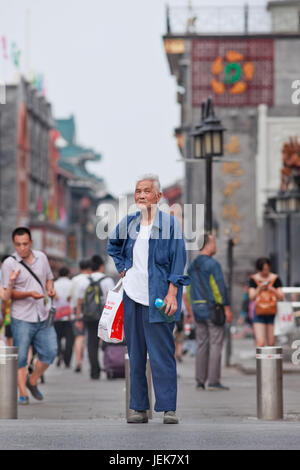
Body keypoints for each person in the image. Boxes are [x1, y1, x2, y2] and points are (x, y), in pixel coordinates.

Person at [107, 174, 189, 424]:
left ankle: (168, 408)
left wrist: (172, 292)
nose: (141, 195)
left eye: (146, 191)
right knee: (136, 353)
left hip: (159, 298)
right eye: (138, 191)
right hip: (132, 295)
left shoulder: (170, 224)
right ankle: (138, 407)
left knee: (162, 353)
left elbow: (179, 259)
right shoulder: (129, 222)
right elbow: (113, 245)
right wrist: (123, 266)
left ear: (158, 196)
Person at [1, 227, 57, 405]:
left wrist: (50, 288)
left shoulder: (42, 257)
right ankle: (23, 393)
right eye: (18, 244)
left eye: (25, 244)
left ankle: (32, 381)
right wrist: (28, 294)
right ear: (14, 244)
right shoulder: (9, 263)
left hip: (42, 314)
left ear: (31, 242)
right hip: (21, 317)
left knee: (50, 352)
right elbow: (7, 295)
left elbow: (49, 277)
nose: (22, 248)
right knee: (22, 357)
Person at [187, 233, 233, 391]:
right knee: (215, 344)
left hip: (197, 308)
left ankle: (200, 380)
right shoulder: (213, 264)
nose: (216, 246)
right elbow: (218, 287)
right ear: (207, 244)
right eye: (214, 243)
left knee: (201, 344)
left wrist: (190, 309)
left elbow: (188, 289)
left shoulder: (192, 265)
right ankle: (213, 380)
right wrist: (226, 307)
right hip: (213, 308)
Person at [77, 255, 114, 379]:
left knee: (91, 344)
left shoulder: (84, 281)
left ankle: (94, 371)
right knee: (108, 341)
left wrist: (78, 318)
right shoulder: (107, 280)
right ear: (101, 266)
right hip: (104, 315)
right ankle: (111, 366)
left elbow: (79, 301)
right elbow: (111, 299)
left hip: (89, 316)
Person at [249, 257, 284, 347]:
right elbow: (251, 296)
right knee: (260, 342)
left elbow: (281, 297)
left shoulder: (275, 279)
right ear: (259, 269)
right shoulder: (254, 279)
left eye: (267, 269)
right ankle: (260, 361)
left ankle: (271, 361)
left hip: (272, 312)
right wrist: (259, 288)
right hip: (259, 312)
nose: (265, 272)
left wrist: (272, 290)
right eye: (263, 270)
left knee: (271, 343)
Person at [69, 259, 92, 372]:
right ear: (89, 268)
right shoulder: (90, 279)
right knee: (90, 338)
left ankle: (78, 361)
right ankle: (91, 361)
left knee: (79, 337)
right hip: (90, 311)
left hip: (76, 310)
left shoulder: (74, 280)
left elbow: (70, 297)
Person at [53, 267, 74, 368]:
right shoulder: (71, 283)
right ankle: (67, 360)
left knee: (57, 337)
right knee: (69, 339)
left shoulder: (54, 284)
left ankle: (59, 353)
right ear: (68, 274)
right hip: (69, 316)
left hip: (57, 316)